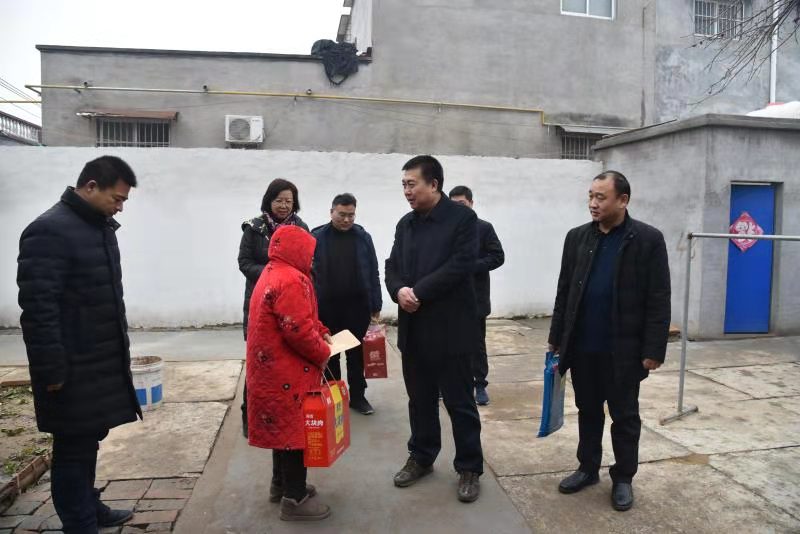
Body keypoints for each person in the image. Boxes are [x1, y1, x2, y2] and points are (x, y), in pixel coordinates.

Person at [17, 156, 142, 533]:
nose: (120, 207)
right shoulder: (48, 231)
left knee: (89, 440)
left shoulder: (97, 227)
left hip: (97, 359)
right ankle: (80, 523)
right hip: (69, 367)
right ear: (90, 187)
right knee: (72, 447)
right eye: (117, 198)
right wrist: (52, 371)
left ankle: (90, 506)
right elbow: (38, 309)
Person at [548, 171, 671, 512]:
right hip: (583, 347)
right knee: (587, 411)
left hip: (624, 351)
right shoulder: (577, 238)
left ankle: (623, 478)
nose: (593, 203)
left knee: (625, 416)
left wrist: (653, 349)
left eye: (601, 197)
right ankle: (587, 468)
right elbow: (564, 291)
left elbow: (659, 298)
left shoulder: (647, 239)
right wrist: (556, 338)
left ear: (623, 200)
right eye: (591, 196)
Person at [385, 155, 484, 503]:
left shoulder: (463, 219)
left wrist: (418, 292)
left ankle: (469, 466)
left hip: (451, 330)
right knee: (420, 400)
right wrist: (398, 290)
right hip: (414, 330)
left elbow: (461, 265)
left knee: (459, 402)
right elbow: (392, 265)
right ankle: (422, 456)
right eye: (403, 185)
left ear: (434, 184)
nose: (406, 191)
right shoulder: (406, 224)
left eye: (412, 184)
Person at [246, 225, 333, 521]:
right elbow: (298, 330)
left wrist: (321, 330)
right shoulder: (293, 279)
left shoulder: (271, 272)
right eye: (310, 253)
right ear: (297, 250)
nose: (312, 259)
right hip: (288, 371)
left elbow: (302, 317)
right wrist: (323, 351)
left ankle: (280, 484)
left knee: (280, 428)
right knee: (296, 434)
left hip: (269, 371)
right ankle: (294, 499)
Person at [238, 178, 308, 437]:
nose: (284, 205)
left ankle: (281, 416)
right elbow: (244, 262)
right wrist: (272, 274)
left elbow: (308, 263)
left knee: (286, 363)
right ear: (269, 201)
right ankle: (250, 417)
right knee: (257, 364)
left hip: (291, 304)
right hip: (259, 303)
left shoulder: (301, 228)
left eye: (289, 201)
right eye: (279, 200)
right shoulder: (253, 228)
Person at [312, 193, 382, 415]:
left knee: (356, 355)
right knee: (331, 355)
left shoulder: (363, 237)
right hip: (327, 308)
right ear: (331, 212)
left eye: (351, 215)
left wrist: (376, 304)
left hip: (357, 307)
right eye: (342, 214)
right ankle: (335, 399)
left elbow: (373, 271)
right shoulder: (316, 237)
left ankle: (358, 397)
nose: (346, 219)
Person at [448, 186, 505, 406]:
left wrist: (472, 266)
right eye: (453, 204)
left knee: (476, 344)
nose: (458, 208)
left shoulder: (484, 228)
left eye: (462, 203)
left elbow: (497, 256)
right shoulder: (446, 229)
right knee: (449, 343)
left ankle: (479, 384)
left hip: (475, 298)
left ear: (471, 203)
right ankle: (449, 384)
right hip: (449, 298)